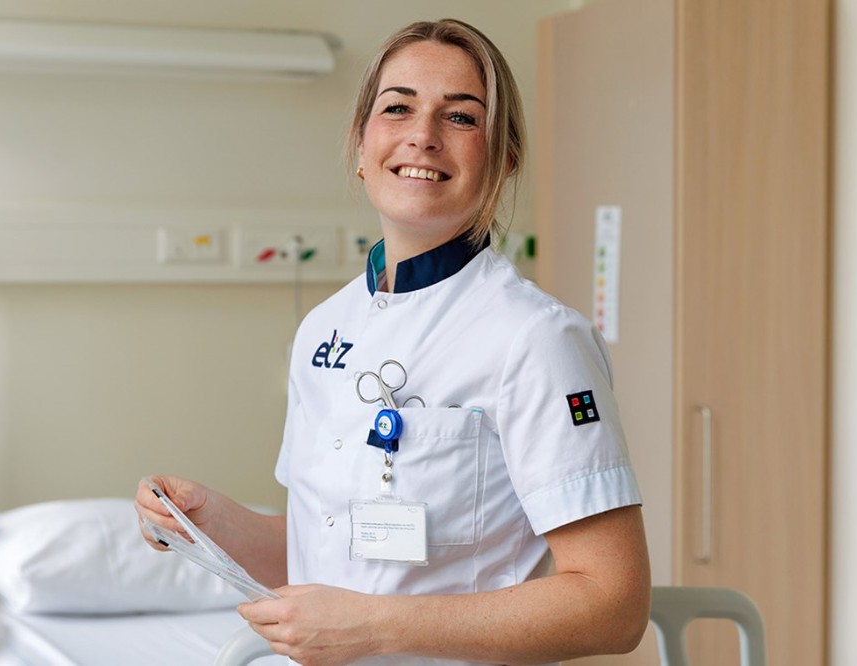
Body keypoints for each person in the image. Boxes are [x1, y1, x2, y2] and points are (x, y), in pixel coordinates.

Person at [137, 18, 649, 665]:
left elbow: (613, 604)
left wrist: (375, 628)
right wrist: (207, 521)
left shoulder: (537, 338)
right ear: (361, 144)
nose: (423, 135)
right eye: (398, 108)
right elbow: (326, 549)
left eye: (460, 117)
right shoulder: (324, 328)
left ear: (503, 159)